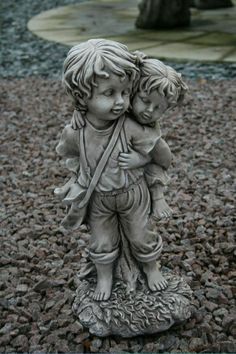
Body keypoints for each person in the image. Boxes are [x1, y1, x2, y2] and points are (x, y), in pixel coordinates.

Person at [55, 39, 168, 301]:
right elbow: (70, 156)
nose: (120, 102)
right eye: (109, 93)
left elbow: (161, 155)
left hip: (133, 193)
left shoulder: (129, 126)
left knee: (141, 236)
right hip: (99, 200)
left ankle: (151, 268)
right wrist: (78, 179)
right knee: (101, 242)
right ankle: (104, 277)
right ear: (82, 95)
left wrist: (142, 159)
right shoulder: (76, 132)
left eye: (125, 92)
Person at [118, 54, 188, 220]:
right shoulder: (118, 106)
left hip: (140, 166)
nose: (150, 110)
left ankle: (158, 198)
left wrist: (141, 160)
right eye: (145, 100)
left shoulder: (149, 129)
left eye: (158, 108)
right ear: (133, 90)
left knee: (155, 166)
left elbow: (164, 160)